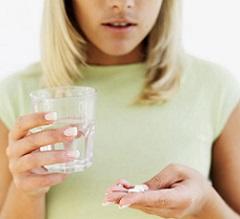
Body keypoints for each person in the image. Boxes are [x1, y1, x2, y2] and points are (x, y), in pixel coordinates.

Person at [0, 0, 239, 219]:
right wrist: (28, 193)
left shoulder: (216, 88)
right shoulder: (16, 96)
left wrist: (204, 204)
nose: (121, 3)